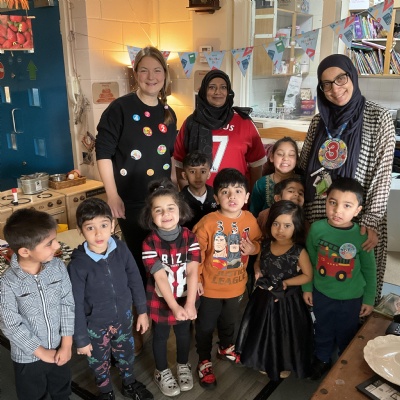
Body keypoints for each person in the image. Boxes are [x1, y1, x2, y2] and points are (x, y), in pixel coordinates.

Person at [299, 54, 395, 303]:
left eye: (340, 79)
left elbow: (382, 174)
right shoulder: (319, 121)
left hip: (359, 219)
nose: (335, 89)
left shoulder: (378, 117)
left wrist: (370, 221)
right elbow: (303, 168)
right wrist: (303, 216)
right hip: (319, 217)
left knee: (358, 279)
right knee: (322, 276)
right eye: (327, 84)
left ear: (352, 76)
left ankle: (359, 321)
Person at [95, 46, 177, 286]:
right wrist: (112, 195)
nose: (151, 77)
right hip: (131, 201)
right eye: (144, 70)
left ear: (165, 74)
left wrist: (175, 191)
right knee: (140, 260)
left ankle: (161, 304)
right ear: (135, 73)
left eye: (157, 70)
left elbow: (171, 156)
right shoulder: (119, 109)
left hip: (163, 201)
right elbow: (103, 154)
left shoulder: (168, 113)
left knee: (163, 260)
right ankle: (142, 305)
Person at [67, 198, 152, 400]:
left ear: (112, 225)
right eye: (90, 227)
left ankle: (129, 383)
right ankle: (106, 392)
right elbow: (74, 304)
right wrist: (81, 338)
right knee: (99, 361)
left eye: (104, 225)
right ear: (80, 230)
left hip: (123, 318)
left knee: (126, 353)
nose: (98, 234)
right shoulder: (78, 265)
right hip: (95, 325)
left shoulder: (121, 249)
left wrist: (142, 311)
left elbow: (135, 279)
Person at [192, 168, 262, 389]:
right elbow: (195, 254)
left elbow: (259, 243)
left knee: (229, 320)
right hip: (210, 288)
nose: (232, 196)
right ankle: (204, 359)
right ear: (216, 197)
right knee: (205, 325)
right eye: (225, 192)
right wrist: (197, 280)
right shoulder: (207, 222)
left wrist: (254, 248)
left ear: (246, 196)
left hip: (236, 286)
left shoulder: (250, 219)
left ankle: (225, 348)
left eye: (238, 191)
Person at [303, 177, 377, 380]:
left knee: (347, 332)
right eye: (333, 203)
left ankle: (346, 360)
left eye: (347, 205)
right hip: (322, 293)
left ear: (358, 210)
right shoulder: (317, 229)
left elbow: (370, 270)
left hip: (351, 298)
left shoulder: (362, 236)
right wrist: (307, 287)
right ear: (326, 201)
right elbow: (309, 261)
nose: (337, 211)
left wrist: (369, 299)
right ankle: (322, 358)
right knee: (322, 328)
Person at [0, 209, 75, 400]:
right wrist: (40, 352)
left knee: (62, 392)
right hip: (28, 357)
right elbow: (10, 324)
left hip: (59, 348)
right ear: (25, 251)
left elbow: (67, 305)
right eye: (49, 243)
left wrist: (67, 344)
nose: (57, 245)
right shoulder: (7, 282)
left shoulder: (58, 267)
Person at [236, 200, 313, 381]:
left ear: (296, 226)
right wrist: (257, 269)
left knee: (284, 334)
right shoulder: (265, 244)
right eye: (276, 224)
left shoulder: (299, 251)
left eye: (287, 225)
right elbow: (258, 262)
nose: (280, 230)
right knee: (262, 331)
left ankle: (284, 363)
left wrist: (287, 283)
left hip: (287, 301)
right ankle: (262, 359)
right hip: (263, 298)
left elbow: (308, 276)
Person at [140, 179, 201, 397]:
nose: (165, 214)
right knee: (160, 335)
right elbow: (160, 277)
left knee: (184, 333)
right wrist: (175, 307)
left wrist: (190, 303)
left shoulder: (190, 237)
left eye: (170, 208)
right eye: (158, 210)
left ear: (180, 210)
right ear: (151, 215)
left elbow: (193, 271)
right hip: (162, 300)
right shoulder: (149, 243)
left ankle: (183, 364)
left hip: (186, 296)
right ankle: (162, 371)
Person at [173, 69, 267, 191]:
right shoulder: (190, 123)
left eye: (223, 87)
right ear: (204, 91)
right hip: (199, 196)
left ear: (228, 92)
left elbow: (256, 165)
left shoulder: (245, 122)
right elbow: (180, 164)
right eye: (212, 87)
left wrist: (251, 195)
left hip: (235, 197)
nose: (218, 92)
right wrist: (188, 196)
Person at [250, 136, 300, 218]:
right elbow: (253, 215)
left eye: (291, 155)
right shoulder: (260, 185)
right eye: (280, 154)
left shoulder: (303, 183)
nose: (285, 158)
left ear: (297, 160)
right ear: (272, 157)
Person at [179, 150, 218, 230]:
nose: (198, 176)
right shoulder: (178, 200)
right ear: (185, 175)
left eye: (203, 171)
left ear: (208, 174)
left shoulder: (217, 195)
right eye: (192, 172)